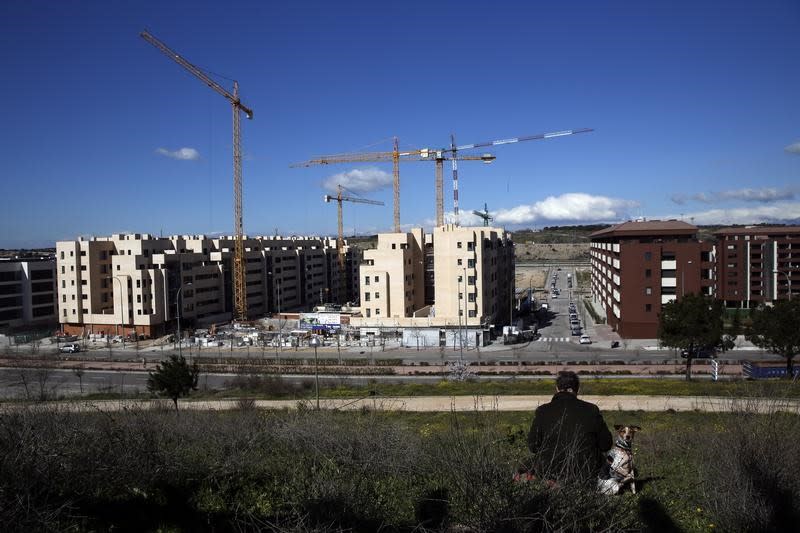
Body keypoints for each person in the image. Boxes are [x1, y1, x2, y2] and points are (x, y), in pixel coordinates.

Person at [527, 371, 612, 486]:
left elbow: (533, 446)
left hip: (550, 472)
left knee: (528, 463)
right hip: (585, 473)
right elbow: (606, 444)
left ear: (557, 388)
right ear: (577, 389)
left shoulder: (543, 411)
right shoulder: (591, 409)